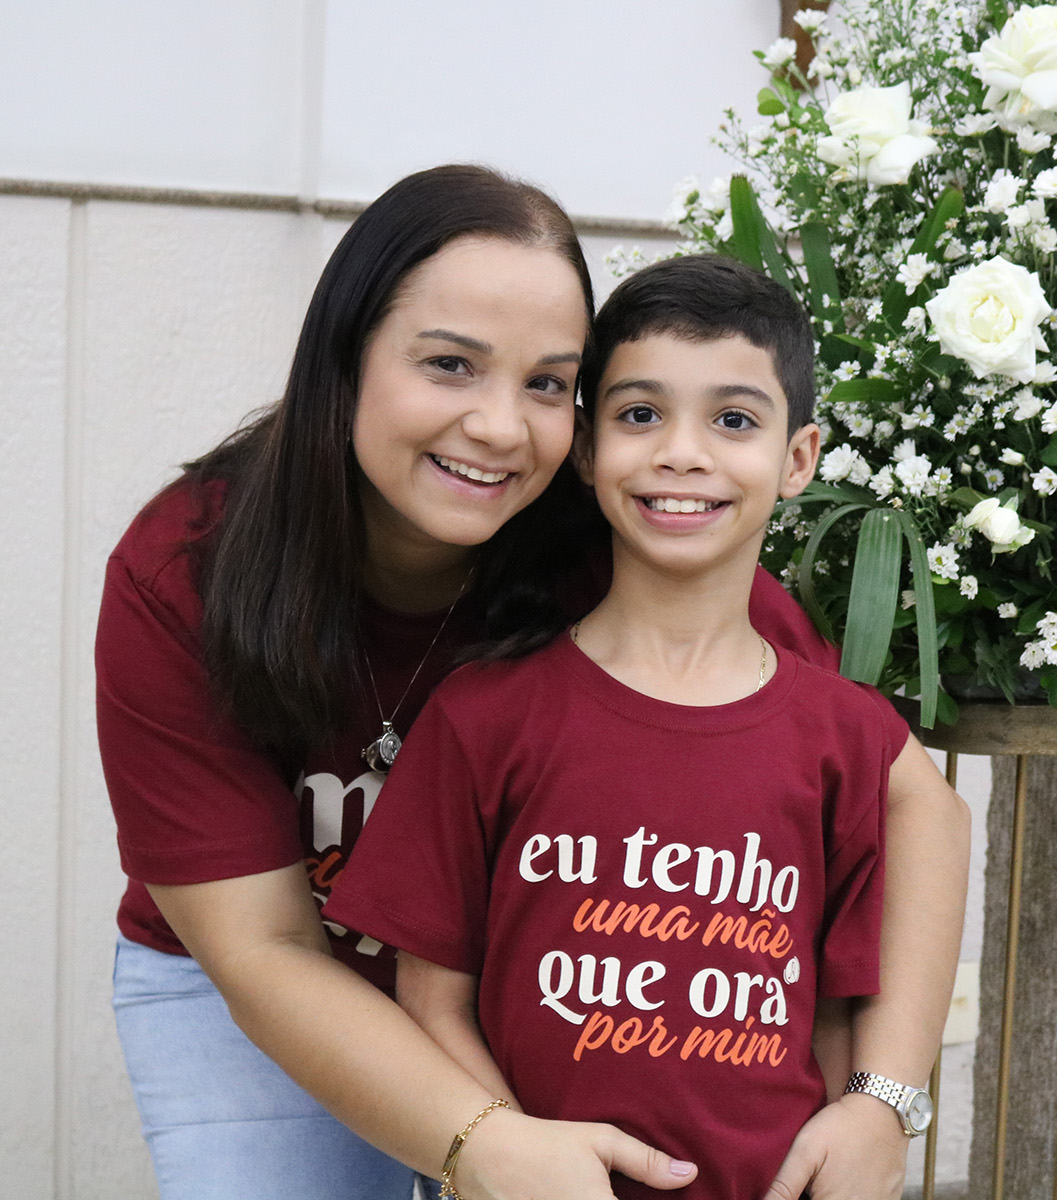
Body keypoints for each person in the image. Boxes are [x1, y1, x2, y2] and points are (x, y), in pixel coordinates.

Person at [96, 164, 969, 1200]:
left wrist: (885, 1095)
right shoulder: (188, 570)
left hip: (530, 1004)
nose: (500, 428)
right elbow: (264, 948)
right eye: (450, 364)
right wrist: (484, 1141)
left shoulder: (630, 548)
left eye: (547, 384)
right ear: (345, 358)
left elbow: (905, 796)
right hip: (263, 977)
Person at [326, 253, 964, 1200]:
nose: (682, 453)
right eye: (639, 415)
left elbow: (839, 997)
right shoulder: (482, 715)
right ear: (586, 450)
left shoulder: (844, 734)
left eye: (734, 420)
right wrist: (510, 1158)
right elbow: (431, 999)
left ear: (798, 459)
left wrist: (882, 1107)